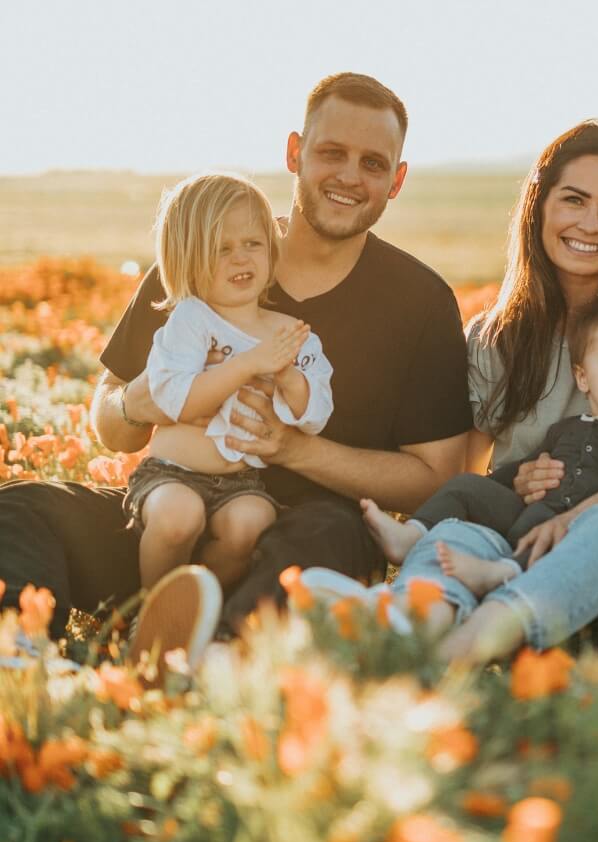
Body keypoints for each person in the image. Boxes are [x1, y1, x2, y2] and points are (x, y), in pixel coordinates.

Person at [0, 73, 472, 656]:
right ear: (295, 153)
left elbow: (438, 477)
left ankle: (215, 653)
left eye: (373, 163)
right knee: (22, 506)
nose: (350, 176)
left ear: (396, 181)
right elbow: (112, 420)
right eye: (332, 153)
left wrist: (295, 450)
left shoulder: (418, 301)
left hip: (299, 540)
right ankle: (18, 658)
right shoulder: (207, 256)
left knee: (329, 530)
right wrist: (134, 403)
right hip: (170, 525)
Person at [304, 120, 598, 662]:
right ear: (539, 205)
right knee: (459, 532)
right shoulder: (495, 336)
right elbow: (461, 475)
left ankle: (463, 649)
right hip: (520, 546)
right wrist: (514, 482)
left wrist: (572, 518)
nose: (590, 224)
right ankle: (409, 623)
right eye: (573, 200)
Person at [361, 294, 598, 597]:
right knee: (466, 486)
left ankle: (502, 572)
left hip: (578, 531)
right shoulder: (566, 428)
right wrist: (504, 483)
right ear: (583, 378)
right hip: (527, 514)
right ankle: (412, 535)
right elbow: (520, 469)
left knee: (550, 534)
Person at [126, 172, 333, 593]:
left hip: (241, 482)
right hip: (171, 473)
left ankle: (197, 607)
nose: (241, 258)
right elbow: (177, 402)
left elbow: (315, 415)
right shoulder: (190, 320)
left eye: (252, 244)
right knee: (178, 517)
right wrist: (250, 363)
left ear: (272, 251)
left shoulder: (291, 332)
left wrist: (287, 377)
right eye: (221, 249)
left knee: (251, 523)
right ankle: (149, 610)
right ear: (187, 259)